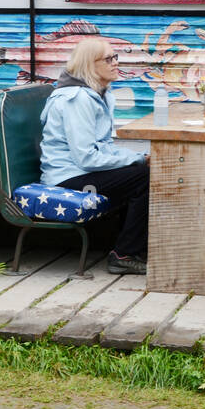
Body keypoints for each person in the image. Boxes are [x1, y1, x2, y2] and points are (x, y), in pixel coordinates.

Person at [39, 37, 150, 275]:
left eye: (115, 57)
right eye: (108, 59)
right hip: (67, 177)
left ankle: (130, 247)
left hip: (82, 172)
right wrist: (136, 159)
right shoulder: (77, 99)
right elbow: (87, 158)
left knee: (141, 173)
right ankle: (124, 254)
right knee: (144, 177)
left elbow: (104, 146)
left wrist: (138, 156)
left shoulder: (99, 94)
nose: (115, 63)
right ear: (90, 65)